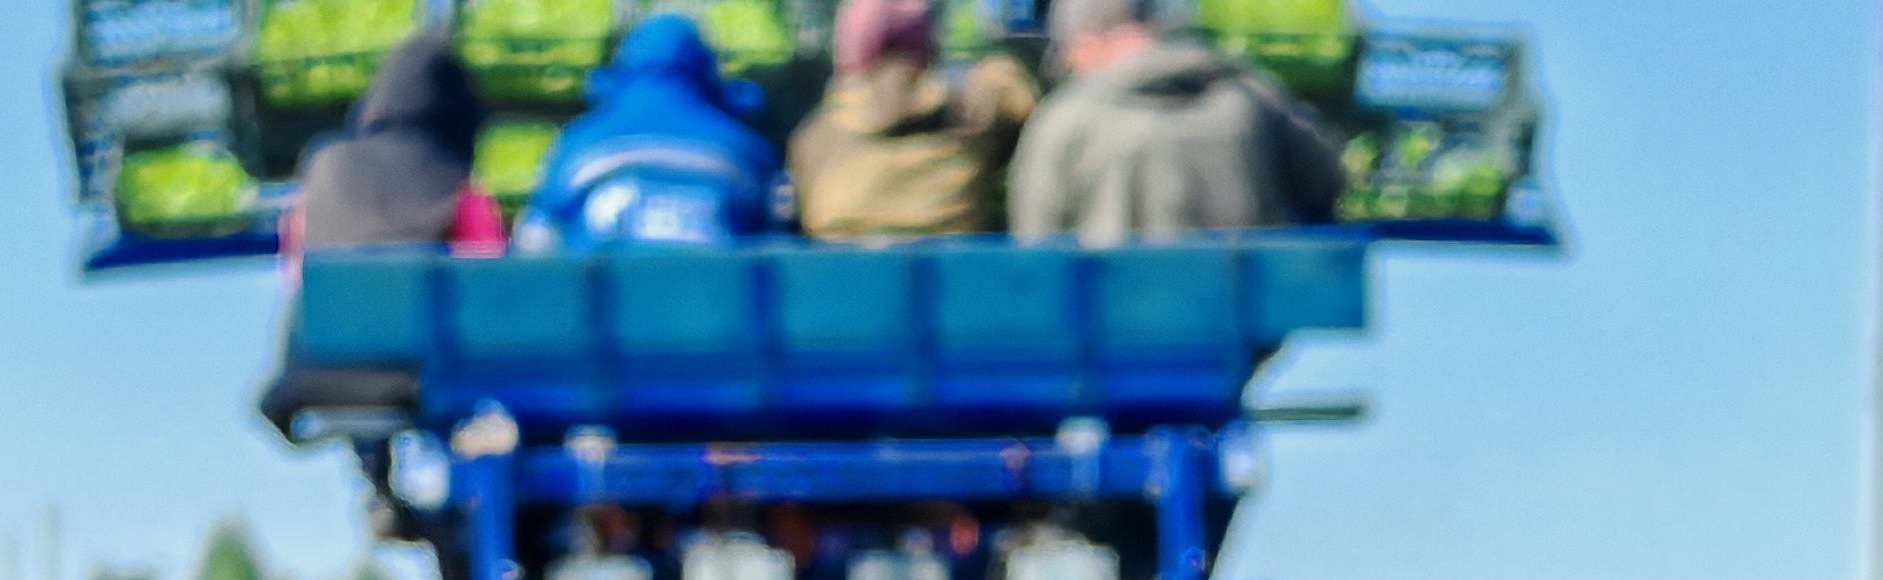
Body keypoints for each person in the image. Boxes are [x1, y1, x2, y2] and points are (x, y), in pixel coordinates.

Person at [1008, 0, 1344, 246]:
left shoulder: (1064, 119)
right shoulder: (1253, 98)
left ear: (1086, 41)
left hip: (1112, 326)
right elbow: (1324, 182)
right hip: (1235, 318)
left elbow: (1036, 241)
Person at [515, 15, 791, 254]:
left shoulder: (578, 141)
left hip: (601, 308)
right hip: (712, 306)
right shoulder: (744, 147)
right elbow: (776, 242)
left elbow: (534, 240)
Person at [786, 0, 1042, 242]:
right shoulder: (974, 109)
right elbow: (1023, 102)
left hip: (840, 279)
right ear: (929, 46)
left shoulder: (817, 136)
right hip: (955, 278)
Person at [285, 32, 507, 279]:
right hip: (423, 314)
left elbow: (293, 273)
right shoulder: (458, 189)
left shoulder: (323, 166)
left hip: (327, 313)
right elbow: (488, 279)